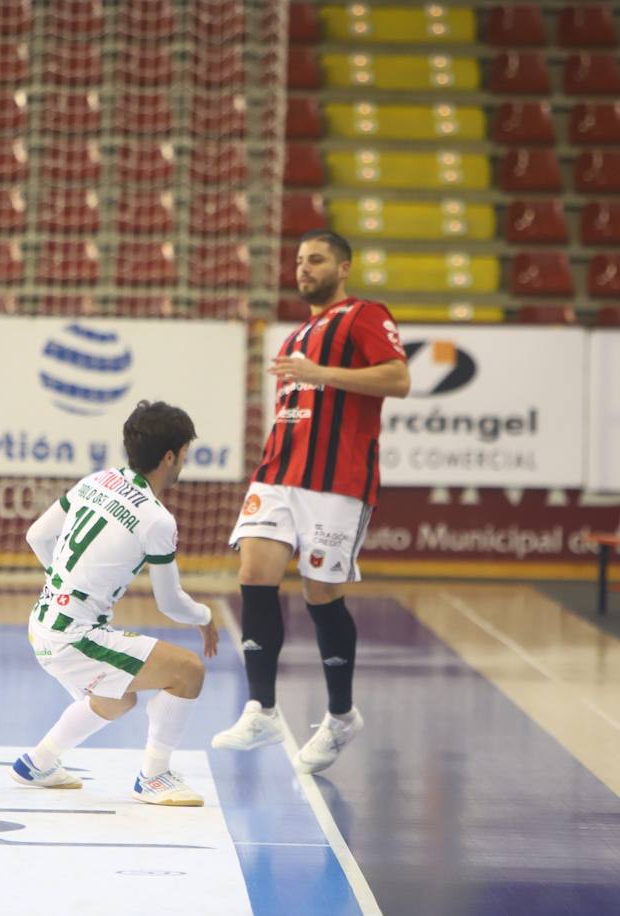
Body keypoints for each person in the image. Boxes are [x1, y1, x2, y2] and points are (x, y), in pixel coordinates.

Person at [213, 229, 410, 774]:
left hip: (336, 483)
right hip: (278, 474)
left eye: (316, 259)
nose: (304, 269)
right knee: (254, 571)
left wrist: (321, 373)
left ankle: (341, 716)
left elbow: (398, 379)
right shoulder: (294, 336)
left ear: (343, 267)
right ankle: (262, 708)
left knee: (320, 592)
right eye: (299, 260)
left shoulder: (364, 315)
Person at [13, 400, 219, 806]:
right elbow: (169, 603)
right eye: (185, 455)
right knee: (188, 671)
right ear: (169, 457)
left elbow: (37, 535)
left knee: (118, 698)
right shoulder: (157, 520)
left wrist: (63, 582)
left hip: (42, 622)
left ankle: (37, 763)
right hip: (73, 637)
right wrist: (205, 617)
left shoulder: (99, 479)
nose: (184, 464)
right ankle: (154, 778)